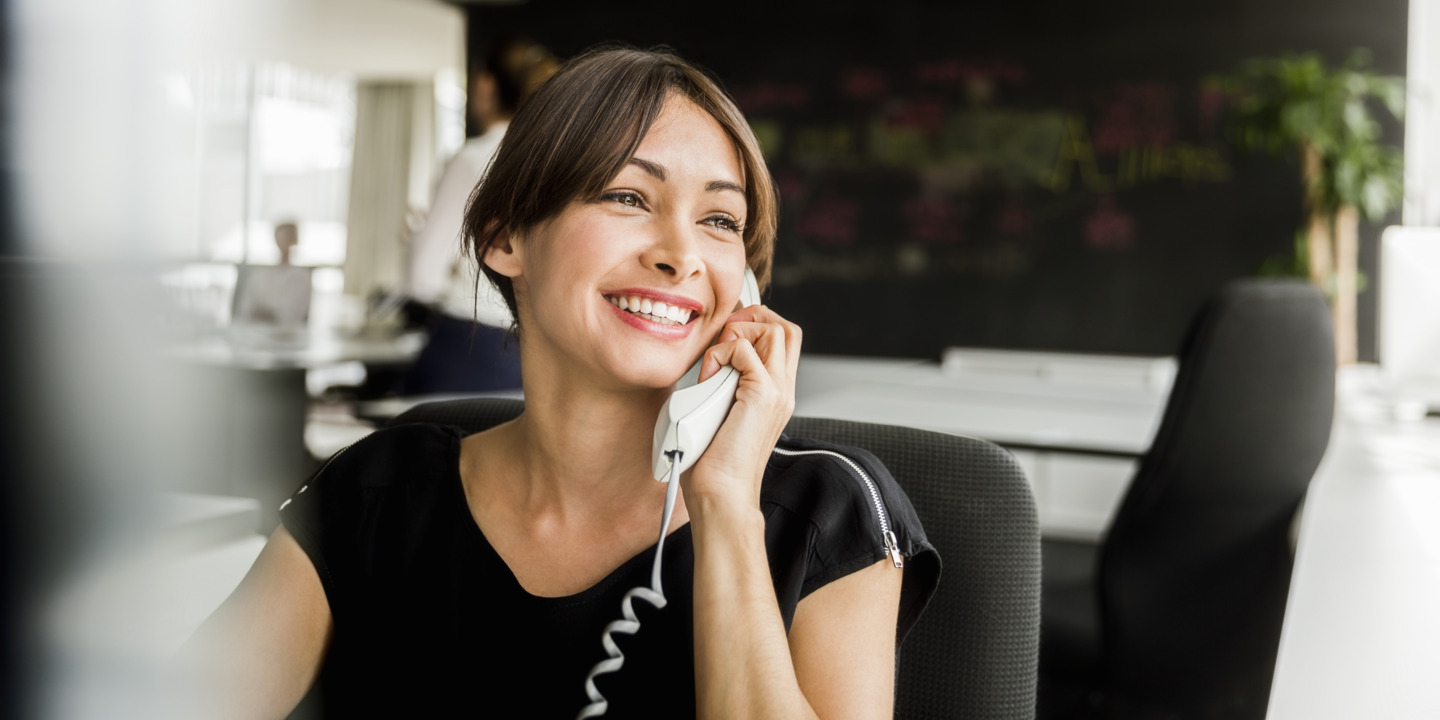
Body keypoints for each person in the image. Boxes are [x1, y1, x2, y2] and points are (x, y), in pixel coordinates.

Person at [185, 47, 939, 719]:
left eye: (719, 220)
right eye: (628, 198)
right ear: (505, 237)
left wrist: (727, 509)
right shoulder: (379, 491)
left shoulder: (827, 514)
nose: (681, 255)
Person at [401, 36, 558, 394]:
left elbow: (422, 278)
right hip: (538, 354)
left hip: (469, 346)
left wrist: (420, 241)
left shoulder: (474, 159)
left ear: (485, 86)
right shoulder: (557, 164)